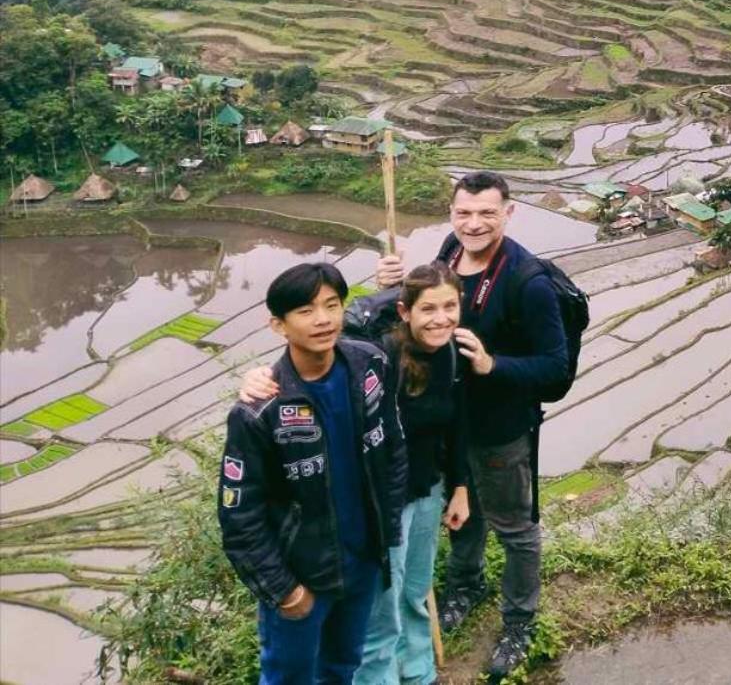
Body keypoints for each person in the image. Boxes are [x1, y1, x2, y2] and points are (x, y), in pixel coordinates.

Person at [372, 172, 566, 680]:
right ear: (451, 213)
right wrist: (395, 282)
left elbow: (556, 367)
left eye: (486, 213)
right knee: (463, 507)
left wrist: (492, 365)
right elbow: (415, 312)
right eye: (464, 213)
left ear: (508, 212)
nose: (474, 224)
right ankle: (466, 585)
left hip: (500, 426)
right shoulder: (447, 256)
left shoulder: (529, 282)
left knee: (514, 526)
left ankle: (519, 621)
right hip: (445, 421)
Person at [241, 263, 473, 685]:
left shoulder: (439, 354)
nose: (440, 318)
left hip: (413, 499)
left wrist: (459, 486)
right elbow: (241, 518)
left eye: (450, 306)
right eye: (427, 309)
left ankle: (419, 675)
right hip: (370, 517)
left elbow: (441, 429)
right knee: (372, 628)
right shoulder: (378, 358)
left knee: (411, 598)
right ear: (405, 312)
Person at [219, 262, 406, 685]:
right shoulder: (260, 410)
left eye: (332, 305)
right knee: (290, 679)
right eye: (305, 311)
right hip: (303, 578)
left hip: (361, 565)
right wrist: (284, 591)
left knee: (342, 669)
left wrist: (387, 532)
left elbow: (392, 447)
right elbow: (238, 515)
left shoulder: (370, 365)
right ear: (278, 326)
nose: (323, 320)